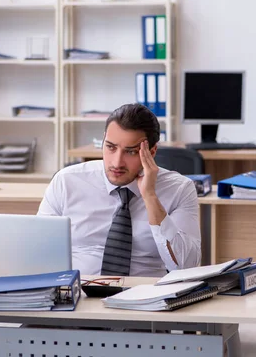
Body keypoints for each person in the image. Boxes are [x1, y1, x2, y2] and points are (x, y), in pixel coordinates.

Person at [38, 103, 201, 277]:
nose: (117, 162)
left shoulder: (180, 189)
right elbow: (37, 249)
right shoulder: (66, 181)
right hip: (79, 292)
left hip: (145, 295)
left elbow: (187, 266)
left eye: (130, 152)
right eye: (111, 147)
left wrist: (150, 196)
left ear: (152, 152)